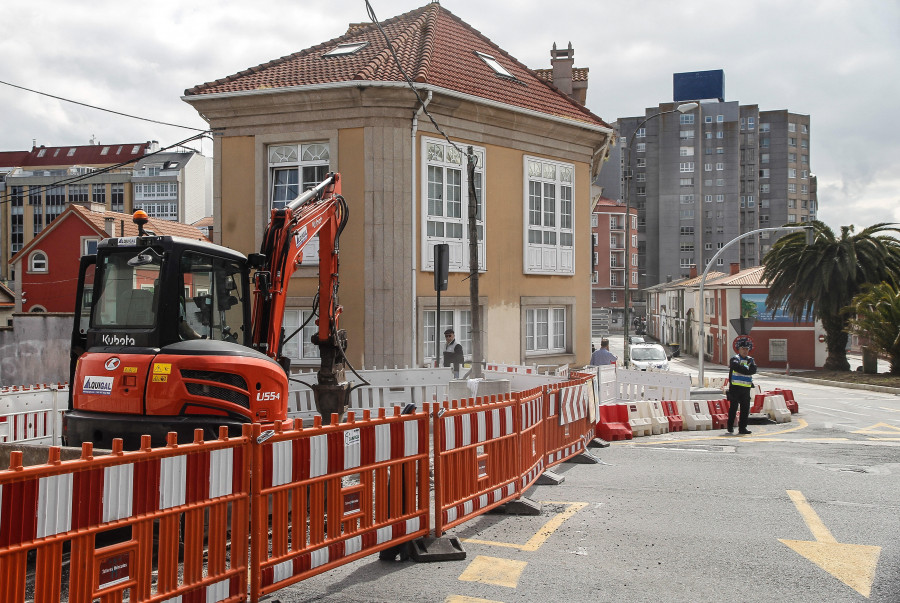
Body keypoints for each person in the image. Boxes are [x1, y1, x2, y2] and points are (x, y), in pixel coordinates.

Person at [727, 342, 757, 435]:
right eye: (743, 349)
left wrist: (744, 369)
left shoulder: (751, 360)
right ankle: (730, 426)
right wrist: (746, 369)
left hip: (746, 389)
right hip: (735, 388)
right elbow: (735, 367)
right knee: (733, 408)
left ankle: (742, 428)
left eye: (746, 349)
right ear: (739, 350)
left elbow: (753, 370)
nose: (745, 351)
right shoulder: (735, 359)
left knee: (745, 409)